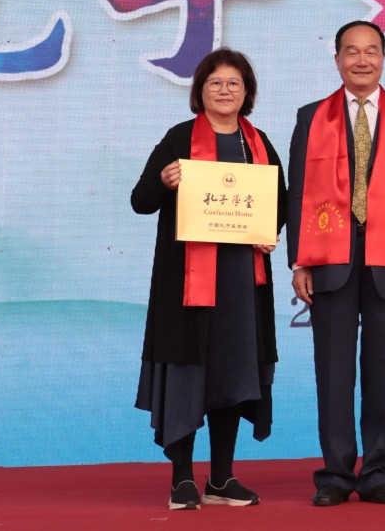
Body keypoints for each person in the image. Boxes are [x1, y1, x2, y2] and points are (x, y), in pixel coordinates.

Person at [286, 20, 385, 507]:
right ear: (337, 60)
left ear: (384, 59)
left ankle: (377, 472)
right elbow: (298, 192)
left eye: (371, 51)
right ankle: (334, 473)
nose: (362, 60)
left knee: (383, 372)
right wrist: (298, 260)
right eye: (352, 51)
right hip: (329, 259)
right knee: (332, 372)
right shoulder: (312, 117)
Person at [132, 48, 285, 511]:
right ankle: (182, 479)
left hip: (242, 285)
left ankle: (221, 479)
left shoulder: (258, 144)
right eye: (215, 83)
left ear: (247, 92)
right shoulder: (179, 138)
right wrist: (165, 180)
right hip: (187, 284)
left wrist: (268, 233)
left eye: (234, 83)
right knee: (187, 372)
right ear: (200, 91)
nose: (224, 90)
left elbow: (279, 203)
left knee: (232, 374)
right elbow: (141, 200)